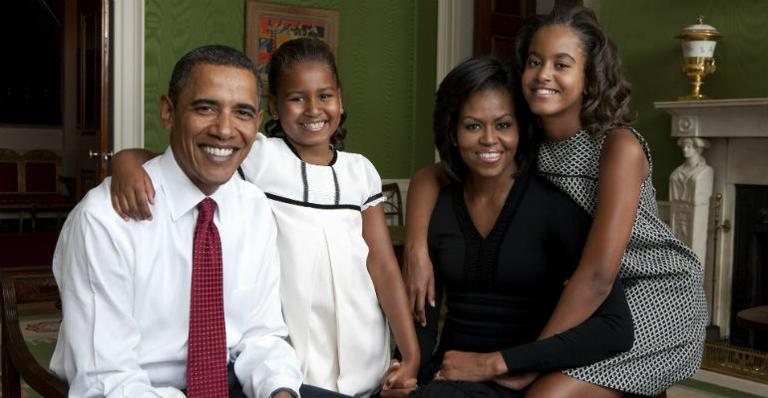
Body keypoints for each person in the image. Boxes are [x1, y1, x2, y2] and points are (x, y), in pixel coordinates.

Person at [404, 6, 707, 397]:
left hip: (653, 292)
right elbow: (433, 175)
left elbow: (598, 275)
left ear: (590, 76)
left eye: (561, 64)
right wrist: (416, 246)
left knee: (543, 394)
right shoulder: (529, 140)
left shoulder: (618, 147)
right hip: (587, 295)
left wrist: (522, 361)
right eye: (534, 61)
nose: (544, 74)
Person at [108, 38, 419, 397]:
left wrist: (410, 354)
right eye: (296, 98)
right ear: (272, 107)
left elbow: (382, 266)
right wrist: (125, 160)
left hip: (360, 331)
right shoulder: (258, 155)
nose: (313, 109)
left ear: (341, 100)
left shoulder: (360, 172)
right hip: (291, 342)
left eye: (325, 96)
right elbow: (183, 159)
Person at [49, 45, 308, 398]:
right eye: (205, 108)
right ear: (168, 112)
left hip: (230, 383)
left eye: (242, 113)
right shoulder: (104, 220)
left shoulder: (254, 208)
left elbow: (262, 335)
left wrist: (280, 391)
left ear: (258, 122)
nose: (225, 130)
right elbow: (106, 380)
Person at [402, 56, 633, 398]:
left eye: (504, 125)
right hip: (450, 374)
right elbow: (424, 319)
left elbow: (614, 328)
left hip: (519, 379)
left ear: (521, 129)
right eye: (473, 126)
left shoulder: (555, 205)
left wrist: (506, 363)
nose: (489, 140)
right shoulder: (439, 204)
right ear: (452, 131)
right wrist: (406, 375)